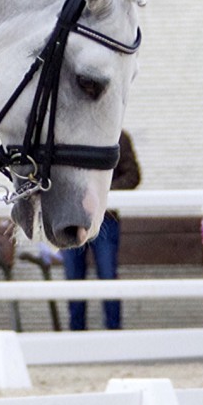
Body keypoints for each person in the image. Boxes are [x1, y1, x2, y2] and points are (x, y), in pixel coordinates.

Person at [61, 129, 141, 330]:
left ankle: (114, 333)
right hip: (71, 217)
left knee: (108, 276)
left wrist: (101, 195)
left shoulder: (116, 136)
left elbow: (133, 175)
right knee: (73, 278)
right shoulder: (64, 135)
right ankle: (76, 335)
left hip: (105, 219)